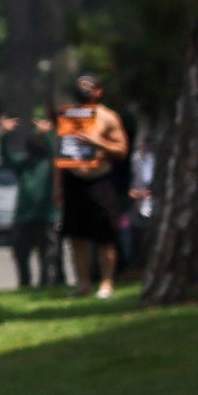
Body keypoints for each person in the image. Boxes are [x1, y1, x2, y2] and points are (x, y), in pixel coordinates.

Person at [55, 74, 129, 298]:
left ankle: (106, 284)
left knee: (105, 236)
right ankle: (83, 284)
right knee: (76, 237)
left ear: (99, 91)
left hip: (99, 180)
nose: (84, 91)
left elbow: (122, 149)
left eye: (89, 87)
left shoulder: (108, 117)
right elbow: (59, 154)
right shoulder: (68, 115)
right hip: (73, 180)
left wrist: (96, 142)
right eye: (80, 87)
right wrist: (57, 187)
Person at [0, 116, 62, 288]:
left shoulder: (49, 164)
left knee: (47, 255)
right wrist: (5, 135)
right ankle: (24, 282)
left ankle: (46, 283)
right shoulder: (23, 164)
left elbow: (54, 154)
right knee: (21, 253)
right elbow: (6, 157)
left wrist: (47, 135)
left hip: (46, 215)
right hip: (24, 216)